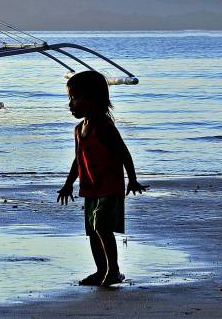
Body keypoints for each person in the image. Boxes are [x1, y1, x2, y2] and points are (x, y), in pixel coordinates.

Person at [57, 70, 149, 286]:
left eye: (75, 98)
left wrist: (132, 179)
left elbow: (124, 153)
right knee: (92, 231)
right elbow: (78, 160)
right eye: (69, 98)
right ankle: (101, 270)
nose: (71, 104)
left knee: (101, 226)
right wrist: (68, 184)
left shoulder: (104, 127)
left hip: (110, 187)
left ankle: (114, 270)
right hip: (90, 188)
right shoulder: (79, 129)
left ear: (94, 100)